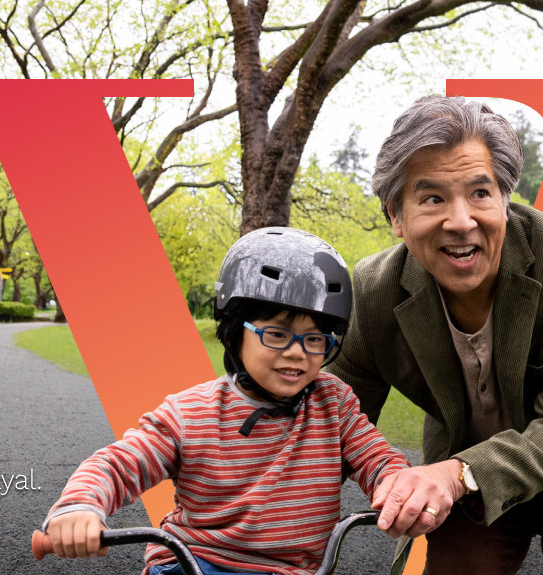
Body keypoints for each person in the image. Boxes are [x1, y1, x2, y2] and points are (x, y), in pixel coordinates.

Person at [333, 95, 543, 575]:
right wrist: (247, 502)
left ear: (505, 201)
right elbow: (330, 420)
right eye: (432, 198)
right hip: (466, 459)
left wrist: (453, 475)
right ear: (395, 216)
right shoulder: (371, 291)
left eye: (480, 193)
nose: (461, 221)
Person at [42, 227, 414, 575]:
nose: (297, 352)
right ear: (235, 333)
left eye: (315, 339)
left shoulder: (334, 404)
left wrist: (399, 486)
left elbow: (378, 458)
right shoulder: (190, 413)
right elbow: (118, 465)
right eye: (277, 334)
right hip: (194, 563)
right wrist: (81, 505)